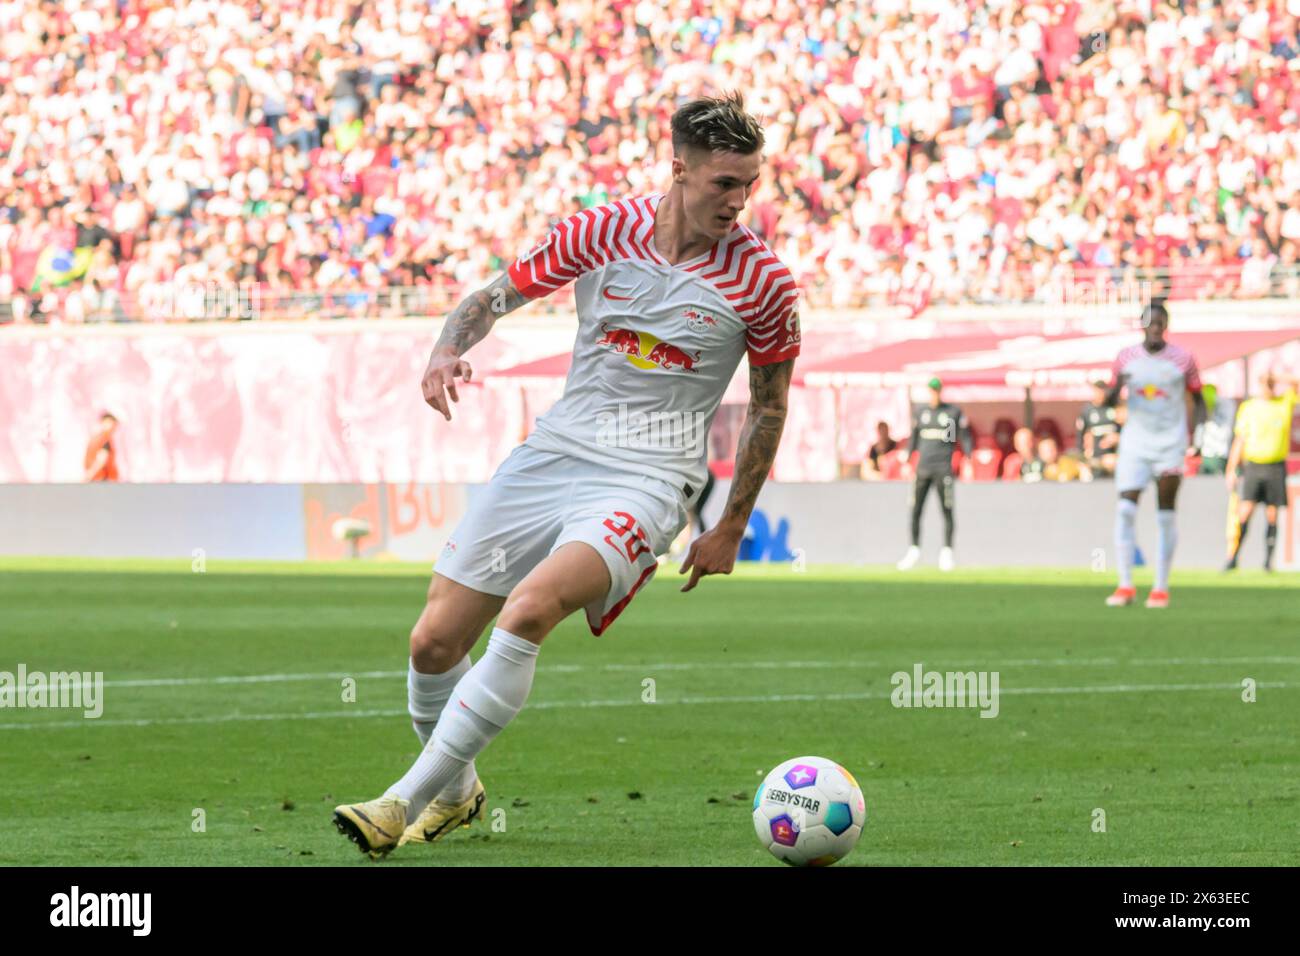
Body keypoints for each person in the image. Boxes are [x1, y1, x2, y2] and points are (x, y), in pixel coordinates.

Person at [332, 93, 801, 858]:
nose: (739, 200)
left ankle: (399, 803)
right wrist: (445, 349)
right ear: (678, 169)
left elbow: (770, 408)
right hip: (555, 452)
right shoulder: (601, 229)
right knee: (433, 642)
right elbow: (492, 297)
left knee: (528, 612)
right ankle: (456, 795)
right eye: (724, 183)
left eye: (749, 183)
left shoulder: (765, 283)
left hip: (651, 478)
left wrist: (730, 525)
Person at [1104, 301, 1205, 609]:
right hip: (1135, 442)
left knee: (1165, 515)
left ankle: (1160, 586)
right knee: (1125, 510)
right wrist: (1117, 387)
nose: (1156, 327)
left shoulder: (1184, 359)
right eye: (1151, 322)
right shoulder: (1125, 358)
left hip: (1169, 444)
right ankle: (1125, 584)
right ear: (1143, 324)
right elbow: (1107, 399)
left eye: (1161, 322)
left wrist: (1197, 437)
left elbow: (1199, 400)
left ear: (1167, 325)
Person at [1224, 371, 1299, 572]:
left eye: (1270, 384)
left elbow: (1296, 383)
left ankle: (1268, 562)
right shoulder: (1249, 408)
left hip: (1275, 466)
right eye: (1265, 384)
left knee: (1272, 514)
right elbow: (1240, 440)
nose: (1268, 387)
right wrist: (1231, 468)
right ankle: (1233, 557)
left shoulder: (1284, 403)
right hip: (1254, 466)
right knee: (1245, 511)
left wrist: (1277, 378)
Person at [897, 377, 971, 571]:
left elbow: (959, 439)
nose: (934, 394)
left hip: (943, 468)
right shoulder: (921, 413)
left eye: (937, 390)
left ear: (941, 391)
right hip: (923, 468)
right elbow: (914, 439)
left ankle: (947, 552)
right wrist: (907, 461)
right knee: (915, 509)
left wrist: (968, 459)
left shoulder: (951, 414)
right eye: (931, 390)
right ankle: (914, 550)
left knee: (946, 509)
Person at [1076, 380, 1121, 476]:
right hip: (1096, 460)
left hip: (1114, 458)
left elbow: (1123, 431)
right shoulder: (1087, 411)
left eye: (1103, 392)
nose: (1101, 395)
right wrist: (1082, 459)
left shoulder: (1112, 408)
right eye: (1098, 392)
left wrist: (1116, 438)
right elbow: (1080, 437)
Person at [83, 412, 120, 482]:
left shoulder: (95, 438)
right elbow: (101, 459)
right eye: (113, 424)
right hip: (103, 478)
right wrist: (89, 475)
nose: (114, 427)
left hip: (95, 478)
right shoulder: (106, 439)